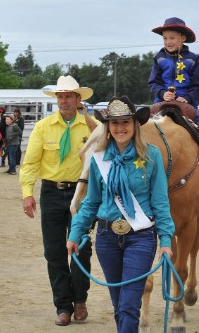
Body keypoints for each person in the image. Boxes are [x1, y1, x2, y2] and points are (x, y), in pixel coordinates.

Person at [66, 96, 175, 333]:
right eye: (114, 123)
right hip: (106, 236)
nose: (120, 128)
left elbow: (160, 202)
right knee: (118, 304)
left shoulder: (152, 156)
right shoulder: (98, 159)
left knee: (128, 304)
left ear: (135, 125)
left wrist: (165, 241)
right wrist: (75, 232)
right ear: (108, 127)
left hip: (141, 236)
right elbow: (91, 202)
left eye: (126, 122)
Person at [20, 76, 95, 327]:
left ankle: (80, 300)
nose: (63, 101)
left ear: (78, 99)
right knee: (54, 252)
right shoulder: (43, 127)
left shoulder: (90, 127)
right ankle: (63, 306)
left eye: (68, 96)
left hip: (82, 195)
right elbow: (30, 162)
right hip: (51, 193)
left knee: (82, 249)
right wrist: (27, 193)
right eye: (60, 96)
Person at [147, 17, 199, 187]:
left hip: (187, 104)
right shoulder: (158, 58)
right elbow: (153, 83)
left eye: (172, 38)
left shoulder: (193, 58)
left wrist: (188, 98)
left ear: (182, 38)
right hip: (161, 103)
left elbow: (198, 86)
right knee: (141, 126)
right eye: (165, 38)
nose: (168, 41)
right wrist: (163, 93)